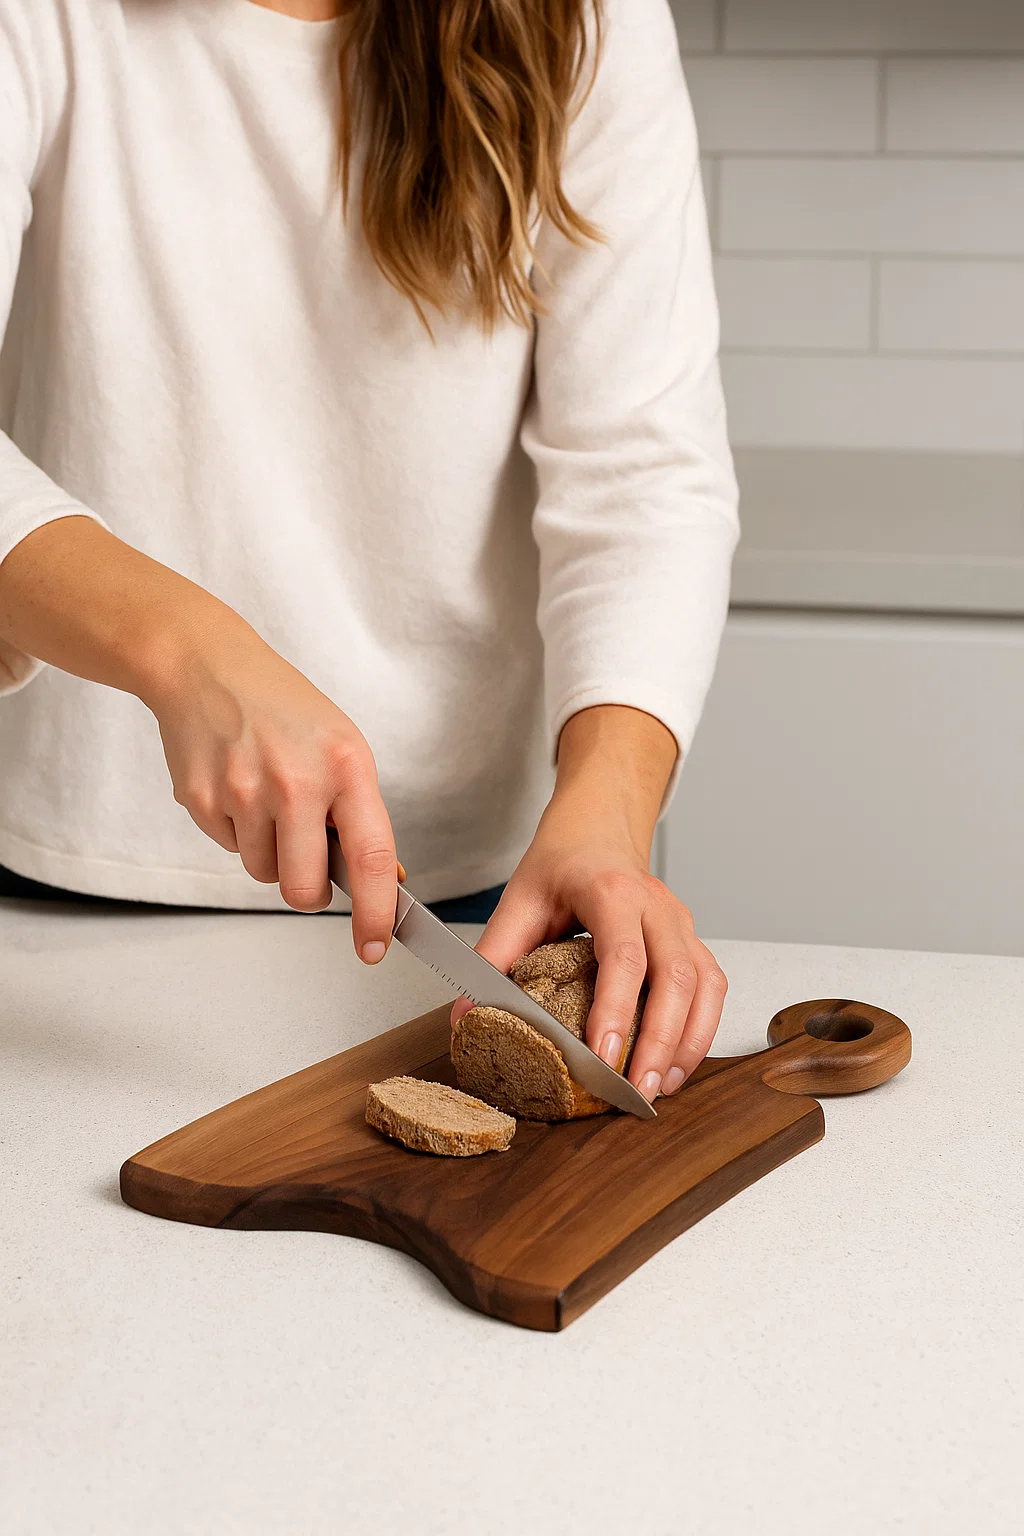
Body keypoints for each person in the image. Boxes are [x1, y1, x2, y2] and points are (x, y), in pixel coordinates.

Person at [0, 0, 738, 1102]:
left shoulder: (591, 19)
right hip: (68, 883)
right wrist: (186, 649)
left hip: (463, 914)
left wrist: (606, 811)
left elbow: (641, 472)